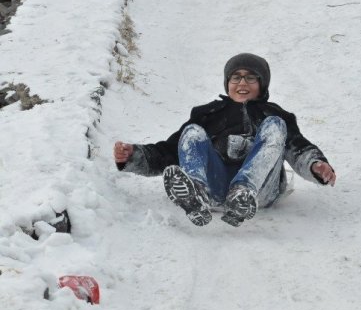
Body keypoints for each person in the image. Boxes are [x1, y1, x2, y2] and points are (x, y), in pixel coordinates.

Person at [114, 53, 336, 227]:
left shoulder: (273, 114)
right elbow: (171, 150)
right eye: (236, 77)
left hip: (259, 191)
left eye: (251, 77)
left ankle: (242, 190)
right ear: (227, 82)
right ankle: (197, 191)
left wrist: (315, 165)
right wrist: (134, 155)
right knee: (191, 132)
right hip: (216, 186)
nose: (242, 82)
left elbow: (298, 148)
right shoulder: (208, 113)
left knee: (276, 126)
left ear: (262, 84)